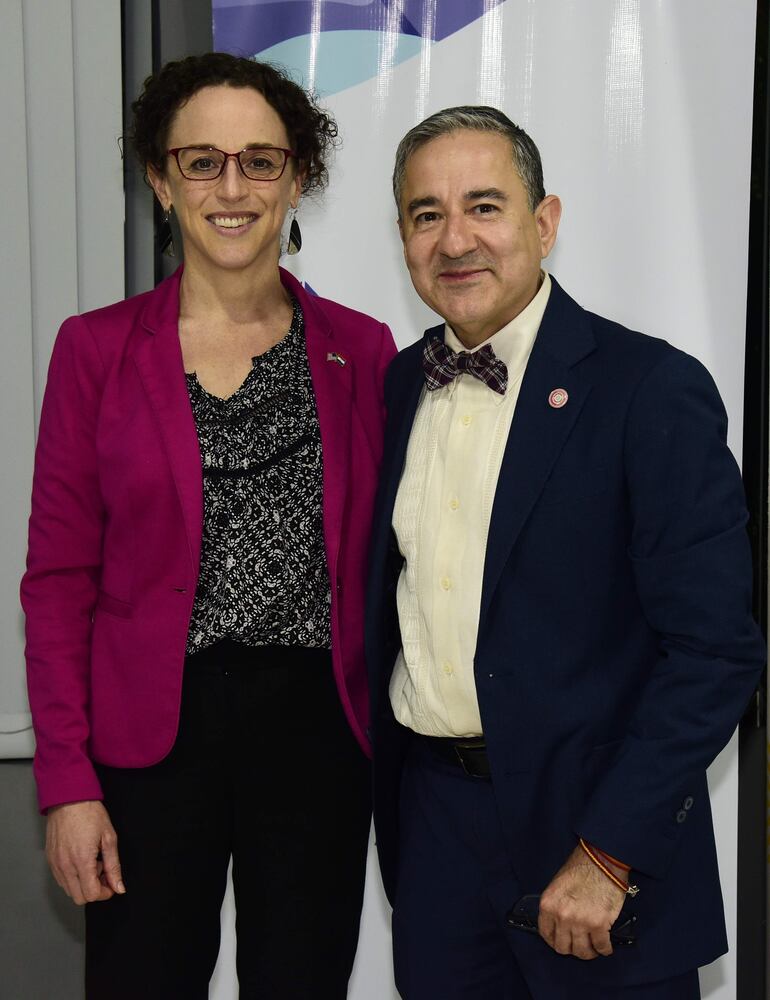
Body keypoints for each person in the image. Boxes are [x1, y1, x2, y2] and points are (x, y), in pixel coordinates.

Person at [364, 105, 765, 1000]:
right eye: (427, 214)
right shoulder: (397, 386)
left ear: (544, 223)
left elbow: (715, 651)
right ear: (401, 238)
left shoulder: (649, 389)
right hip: (436, 832)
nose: (455, 239)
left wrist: (611, 849)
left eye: (484, 206)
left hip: (593, 838)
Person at [22, 52, 396, 1000]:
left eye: (260, 161)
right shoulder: (94, 351)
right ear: (160, 178)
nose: (232, 187)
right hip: (148, 743)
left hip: (317, 734)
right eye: (201, 161)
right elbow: (59, 583)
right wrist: (67, 783)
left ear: (297, 177)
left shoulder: (364, 348)